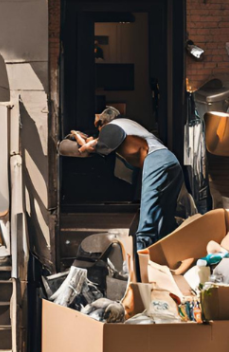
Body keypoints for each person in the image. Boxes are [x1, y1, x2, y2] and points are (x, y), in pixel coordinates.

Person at [69, 107, 185, 252]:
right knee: (165, 220)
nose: (100, 133)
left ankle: (139, 266)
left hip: (156, 161)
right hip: (170, 160)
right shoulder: (127, 126)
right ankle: (170, 258)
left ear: (103, 124)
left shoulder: (113, 128)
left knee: (147, 221)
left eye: (99, 128)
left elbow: (89, 148)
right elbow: (99, 142)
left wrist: (79, 141)